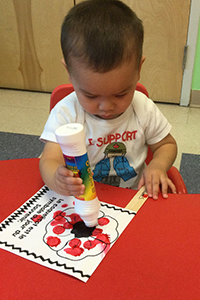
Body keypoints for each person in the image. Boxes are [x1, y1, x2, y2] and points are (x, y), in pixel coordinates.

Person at [39, 0, 177, 200]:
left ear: (139, 69)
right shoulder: (67, 113)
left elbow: (167, 145)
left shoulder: (142, 108)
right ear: (69, 73)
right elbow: (48, 160)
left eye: (121, 94)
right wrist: (56, 178)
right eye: (91, 95)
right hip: (82, 200)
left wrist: (157, 165)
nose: (106, 107)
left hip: (132, 199)